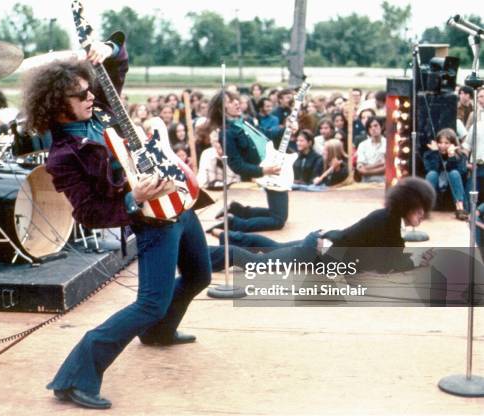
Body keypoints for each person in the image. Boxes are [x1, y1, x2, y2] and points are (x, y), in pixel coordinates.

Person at [22, 33, 211, 410]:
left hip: (179, 202)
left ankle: (159, 333)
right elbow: (88, 214)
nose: (91, 96)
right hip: (150, 218)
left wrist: (107, 49)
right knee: (149, 304)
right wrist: (133, 199)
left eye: (89, 89)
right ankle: (74, 377)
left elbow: (117, 62)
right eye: (81, 95)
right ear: (60, 107)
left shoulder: (103, 108)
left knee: (199, 275)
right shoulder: (63, 156)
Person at [208, 177, 437, 274]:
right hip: (316, 251)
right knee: (257, 263)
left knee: (270, 246)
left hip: (318, 245)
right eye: (419, 210)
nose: (422, 216)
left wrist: (416, 261)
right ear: (406, 204)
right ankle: (203, 257)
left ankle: (224, 232)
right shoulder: (386, 222)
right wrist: (416, 262)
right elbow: (386, 262)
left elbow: (390, 259)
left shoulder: (390, 222)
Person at [207, 90, 289, 232]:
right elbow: (236, 165)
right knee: (278, 220)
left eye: (235, 99)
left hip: (270, 167)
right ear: (221, 109)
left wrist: (285, 129)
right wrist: (264, 171)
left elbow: (267, 134)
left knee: (278, 216)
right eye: (230, 101)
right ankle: (233, 224)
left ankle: (237, 210)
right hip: (266, 171)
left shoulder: (246, 122)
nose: (236, 102)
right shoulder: (226, 133)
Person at [424, 128, 468, 220]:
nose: (442, 146)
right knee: (432, 174)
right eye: (440, 142)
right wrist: (436, 153)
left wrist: (451, 156)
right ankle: (424, 207)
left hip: (452, 197)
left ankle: (460, 209)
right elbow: (431, 169)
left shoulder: (460, 156)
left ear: (453, 144)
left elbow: (461, 173)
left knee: (454, 173)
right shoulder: (429, 154)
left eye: (446, 143)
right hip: (436, 195)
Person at [356, 117, 386, 183]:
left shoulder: (388, 144)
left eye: (375, 125)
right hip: (366, 183)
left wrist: (367, 168)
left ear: (381, 127)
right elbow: (360, 168)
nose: (373, 128)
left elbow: (386, 168)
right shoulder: (362, 145)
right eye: (370, 127)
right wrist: (379, 164)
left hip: (383, 182)